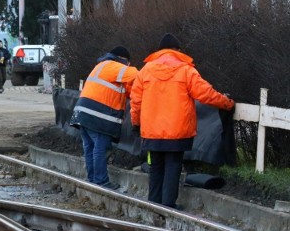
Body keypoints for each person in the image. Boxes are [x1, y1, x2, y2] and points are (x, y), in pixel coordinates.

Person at [130, 33, 234, 209]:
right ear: (177, 50)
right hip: (177, 131)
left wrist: (136, 123)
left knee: (155, 166)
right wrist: (227, 103)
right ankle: (168, 206)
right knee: (173, 166)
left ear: (160, 51)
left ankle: (153, 205)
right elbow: (205, 94)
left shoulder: (145, 71)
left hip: (151, 132)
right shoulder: (186, 70)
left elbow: (136, 101)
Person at [73, 46, 138, 190]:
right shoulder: (116, 66)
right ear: (123, 60)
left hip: (82, 112)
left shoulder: (101, 66)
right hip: (98, 115)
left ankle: (92, 180)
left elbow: (124, 90)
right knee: (100, 148)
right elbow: (137, 75)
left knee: (89, 147)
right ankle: (101, 182)